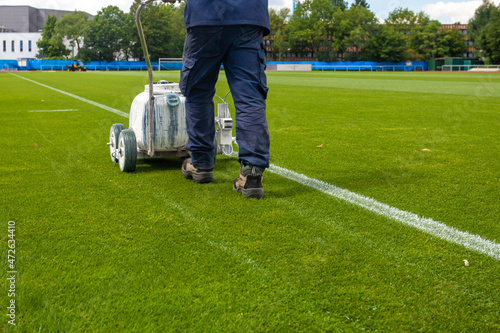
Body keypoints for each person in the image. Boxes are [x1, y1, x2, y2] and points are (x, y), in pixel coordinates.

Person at [163, 0, 271, 199]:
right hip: (249, 15)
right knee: (249, 98)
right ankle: (251, 173)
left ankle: (201, 163)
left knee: (198, 92)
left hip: (206, 15)